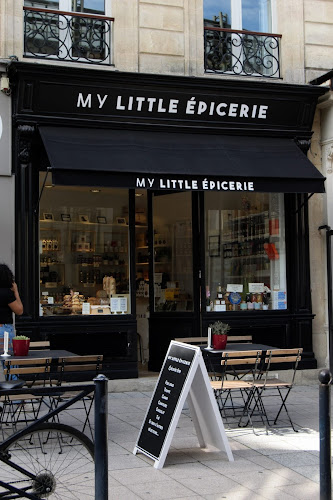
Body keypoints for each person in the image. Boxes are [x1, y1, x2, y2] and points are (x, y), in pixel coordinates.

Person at [0, 264, 24, 355]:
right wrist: (16, 291)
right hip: (4, 330)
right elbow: (19, 310)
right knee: (9, 363)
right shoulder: (7, 293)